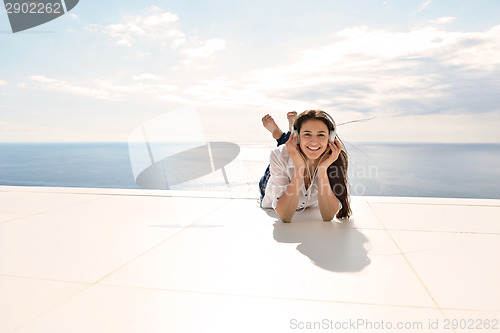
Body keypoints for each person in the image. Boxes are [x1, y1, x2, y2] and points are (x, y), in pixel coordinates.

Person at [259, 110, 351, 222]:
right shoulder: (278, 155)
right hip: (269, 183)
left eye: (321, 135)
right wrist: (299, 168)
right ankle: (280, 133)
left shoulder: (334, 157)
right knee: (286, 147)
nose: (314, 141)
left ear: (330, 137)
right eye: (307, 134)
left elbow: (328, 216)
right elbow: (285, 216)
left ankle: (289, 129)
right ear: (297, 136)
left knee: (291, 145)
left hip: (297, 147)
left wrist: (322, 169)